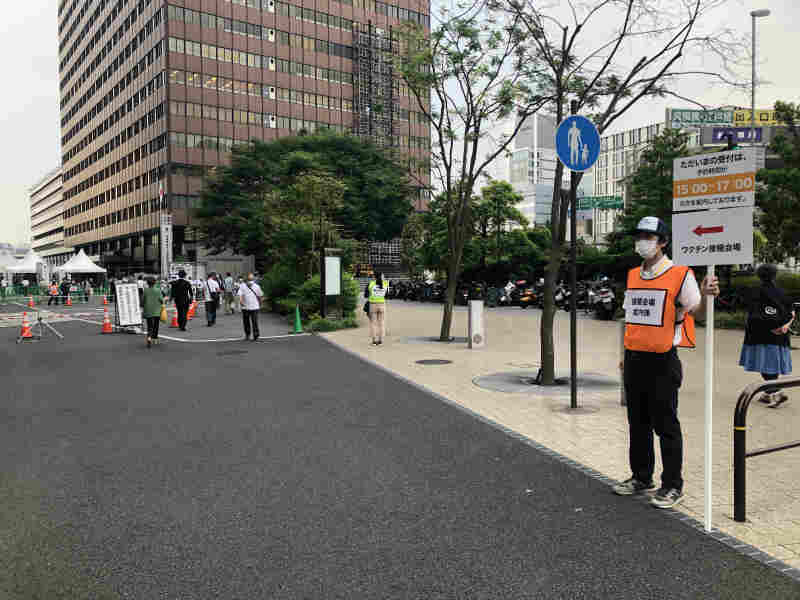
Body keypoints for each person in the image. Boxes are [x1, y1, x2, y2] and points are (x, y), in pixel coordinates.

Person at [613, 216, 719, 509]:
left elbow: (697, 312)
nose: (642, 242)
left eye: (649, 237)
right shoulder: (634, 274)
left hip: (662, 361)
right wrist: (624, 356)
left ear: (662, 242)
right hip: (635, 359)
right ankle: (641, 477)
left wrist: (708, 297)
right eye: (639, 236)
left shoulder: (680, 274)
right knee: (637, 423)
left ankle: (672, 485)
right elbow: (632, 318)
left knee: (666, 425)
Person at [739, 264, 794, 408]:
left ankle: (777, 392)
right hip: (780, 335)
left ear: (759, 275)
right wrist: (784, 326)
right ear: (775, 275)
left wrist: (770, 327)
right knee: (771, 366)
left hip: (760, 335)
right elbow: (791, 312)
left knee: (766, 366)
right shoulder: (782, 292)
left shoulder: (756, 292)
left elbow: (754, 315)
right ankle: (767, 393)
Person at [238, 273, 263, 341]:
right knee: (254, 321)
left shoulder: (243, 286)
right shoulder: (256, 286)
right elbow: (260, 296)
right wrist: (261, 303)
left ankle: (248, 335)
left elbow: (240, 295)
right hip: (254, 307)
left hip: (246, 307)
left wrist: (241, 301)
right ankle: (255, 336)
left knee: (246, 322)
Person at [365, 271, 388, 345]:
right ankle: (380, 340)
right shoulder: (385, 284)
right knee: (381, 323)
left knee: (373, 323)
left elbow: (366, 295)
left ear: (374, 276)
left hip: (373, 305)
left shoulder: (370, 284)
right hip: (382, 304)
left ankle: (374, 341)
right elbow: (387, 295)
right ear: (381, 276)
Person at [142, 276, 163, 348]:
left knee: (149, 326)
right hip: (157, 310)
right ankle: (155, 339)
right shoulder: (158, 290)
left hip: (148, 311)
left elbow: (143, 301)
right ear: (155, 283)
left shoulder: (146, 290)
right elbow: (161, 300)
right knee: (156, 325)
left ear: (148, 283)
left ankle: (149, 337)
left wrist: (141, 305)